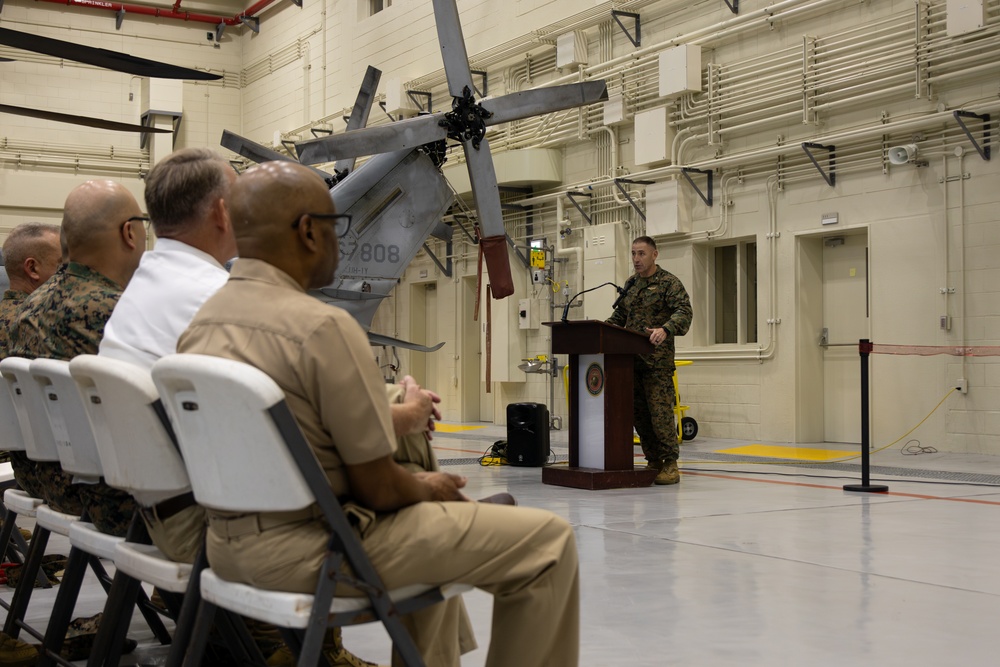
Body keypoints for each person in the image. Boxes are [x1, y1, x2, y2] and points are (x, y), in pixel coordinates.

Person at [177, 161, 580, 667]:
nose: (337, 242)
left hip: (226, 545)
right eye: (334, 226)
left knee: (429, 514)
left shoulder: (200, 326)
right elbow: (379, 490)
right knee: (547, 544)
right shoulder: (322, 327)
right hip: (314, 551)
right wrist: (428, 488)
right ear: (307, 232)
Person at [98, 147, 421, 667]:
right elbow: (302, 422)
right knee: (396, 455)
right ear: (225, 213)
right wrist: (402, 415)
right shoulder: (213, 295)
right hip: (214, 522)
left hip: (159, 511)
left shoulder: (148, 286)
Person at [7, 179, 147, 535]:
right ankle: (175, 593)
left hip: (42, 480)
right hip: (111, 498)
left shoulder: (27, 308)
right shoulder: (118, 312)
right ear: (130, 233)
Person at [606, 235, 692, 485]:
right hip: (630, 363)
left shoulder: (669, 283)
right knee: (639, 415)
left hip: (657, 363)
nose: (636, 259)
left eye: (641, 253)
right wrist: (602, 332)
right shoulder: (631, 284)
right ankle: (653, 460)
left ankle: (670, 463)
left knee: (660, 413)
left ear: (655, 255)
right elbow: (620, 314)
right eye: (633, 253)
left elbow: (684, 312)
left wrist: (665, 328)